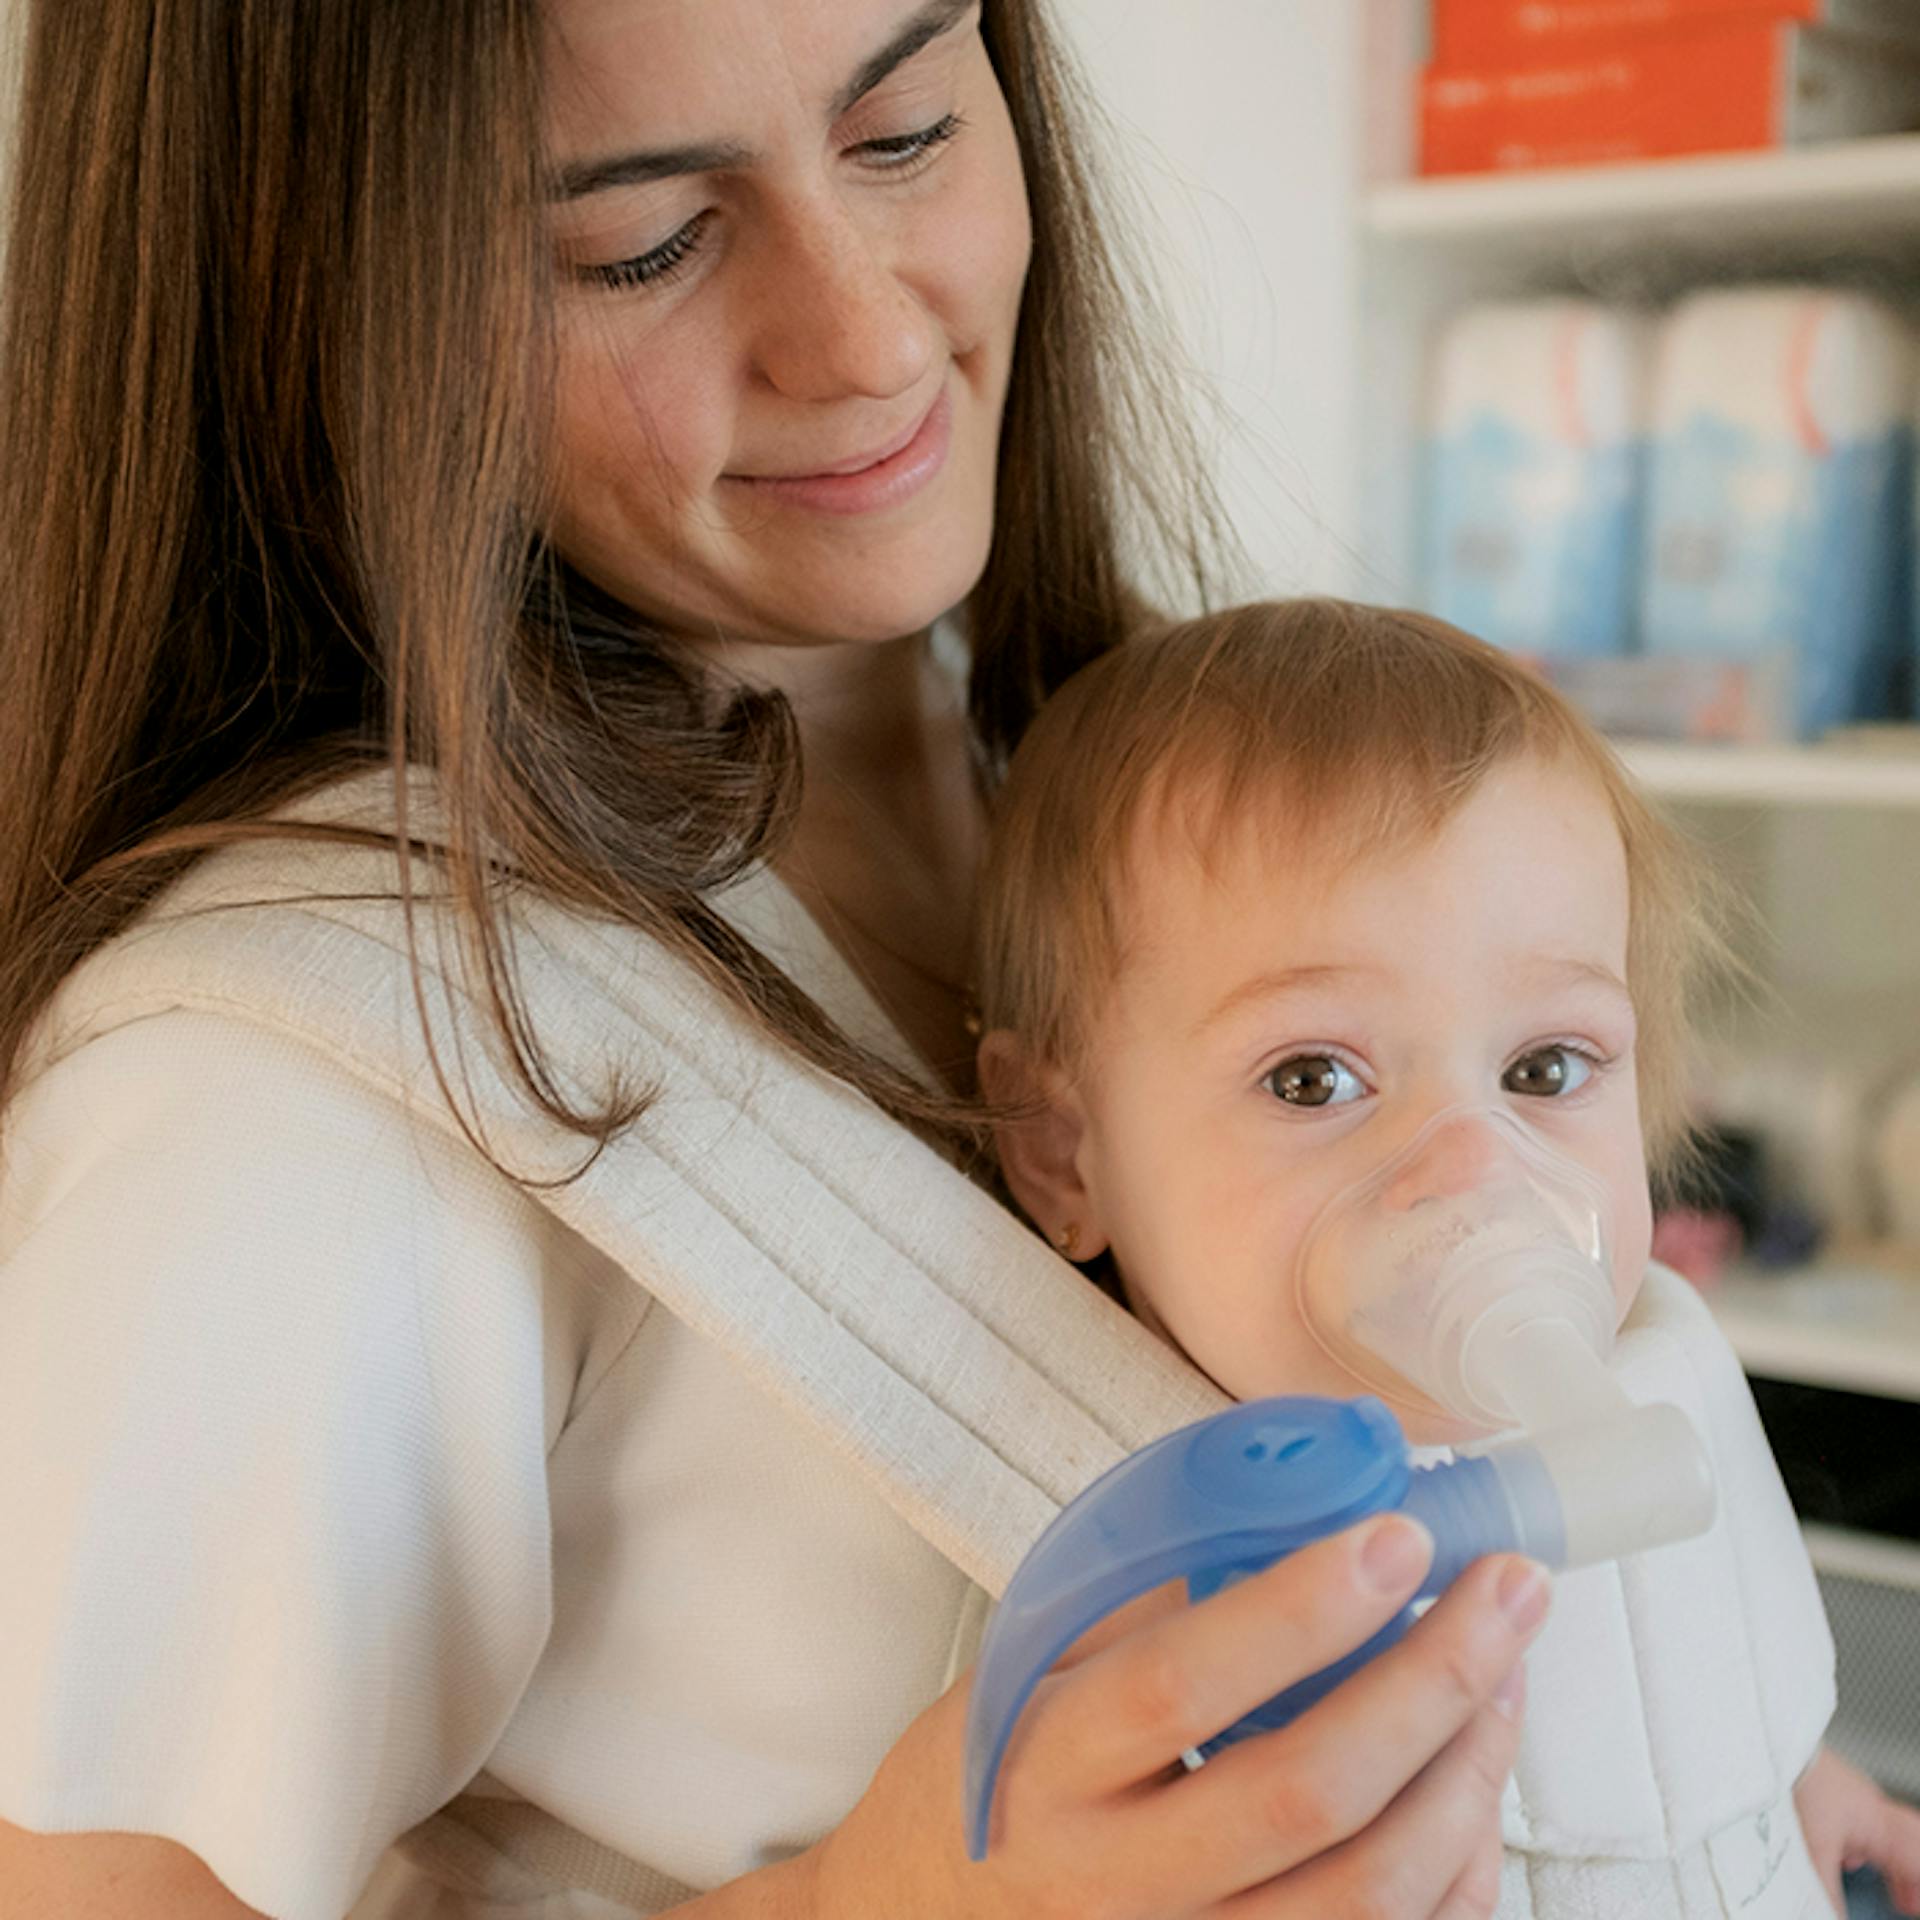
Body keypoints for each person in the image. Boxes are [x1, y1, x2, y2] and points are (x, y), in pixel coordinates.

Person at [0, 3, 1551, 1918]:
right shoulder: (288, 1097)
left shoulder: (1128, 783)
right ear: (305, 309)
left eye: (901, 131)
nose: (873, 337)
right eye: (640, 243)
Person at [973, 598, 1920, 1920]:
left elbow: (1700, 1644)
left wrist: (1796, 1776)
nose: (1475, 1172)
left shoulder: (1656, 1357)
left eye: (1546, 1068)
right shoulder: (1131, 1561)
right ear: (1065, 1154)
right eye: (1314, 1078)